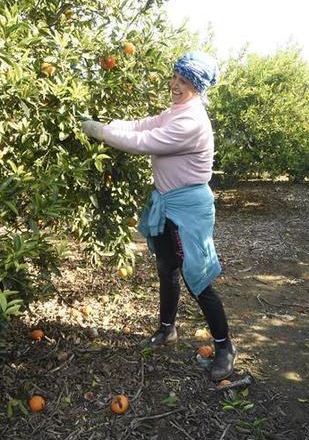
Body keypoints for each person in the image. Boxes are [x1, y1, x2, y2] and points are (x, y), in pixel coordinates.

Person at [80, 52, 236, 381]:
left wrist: (99, 132)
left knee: (199, 278)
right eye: (175, 77)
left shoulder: (191, 121)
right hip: (167, 202)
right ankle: (168, 329)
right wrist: (105, 125)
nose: (175, 84)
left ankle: (224, 347)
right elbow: (141, 125)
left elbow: (144, 141)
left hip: (189, 208)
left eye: (185, 81)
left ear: (198, 87)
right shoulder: (176, 111)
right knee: (167, 267)